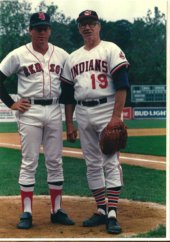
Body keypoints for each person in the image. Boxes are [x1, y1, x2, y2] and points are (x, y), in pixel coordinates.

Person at [0, 12, 75, 229]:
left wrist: (69, 122)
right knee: (29, 160)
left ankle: (56, 210)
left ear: (50, 30)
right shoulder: (18, 54)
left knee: (54, 160)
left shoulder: (62, 55)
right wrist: (11, 103)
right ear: (30, 30)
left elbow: (69, 87)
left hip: (54, 109)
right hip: (30, 111)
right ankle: (26, 212)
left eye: (45, 28)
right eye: (37, 28)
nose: (41, 32)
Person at [60, 10, 130, 234]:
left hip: (106, 107)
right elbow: (68, 95)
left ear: (99, 26)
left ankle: (112, 213)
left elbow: (121, 85)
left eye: (91, 23)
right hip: (82, 111)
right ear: (79, 28)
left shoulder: (111, 49)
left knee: (110, 161)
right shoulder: (72, 58)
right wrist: (70, 124)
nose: (87, 27)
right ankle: (101, 209)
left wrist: (116, 117)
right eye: (83, 24)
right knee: (91, 163)